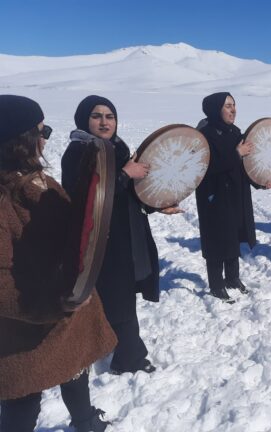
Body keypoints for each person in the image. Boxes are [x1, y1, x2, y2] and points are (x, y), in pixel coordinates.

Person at [1, 95, 116, 431]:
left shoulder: (37, 178)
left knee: (75, 369)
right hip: (26, 325)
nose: (45, 137)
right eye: (41, 130)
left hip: (63, 309)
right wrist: (48, 306)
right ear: (19, 139)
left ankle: (85, 422)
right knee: (22, 402)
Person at [62, 95, 172, 375]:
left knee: (121, 296)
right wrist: (124, 173)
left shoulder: (117, 148)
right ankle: (128, 358)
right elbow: (84, 197)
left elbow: (130, 193)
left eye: (109, 116)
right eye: (96, 116)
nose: (104, 121)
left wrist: (157, 203)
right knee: (118, 298)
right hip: (102, 241)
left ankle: (115, 349)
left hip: (127, 234)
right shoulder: (78, 152)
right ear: (84, 120)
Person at [195, 92, 271, 302]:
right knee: (217, 240)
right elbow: (205, 167)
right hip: (214, 196)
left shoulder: (235, 132)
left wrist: (259, 181)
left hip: (236, 194)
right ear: (215, 109)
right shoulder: (204, 135)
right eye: (228, 106)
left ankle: (232, 277)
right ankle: (216, 284)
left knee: (233, 237)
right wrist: (236, 154)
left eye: (234, 105)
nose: (233, 110)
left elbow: (244, 165)